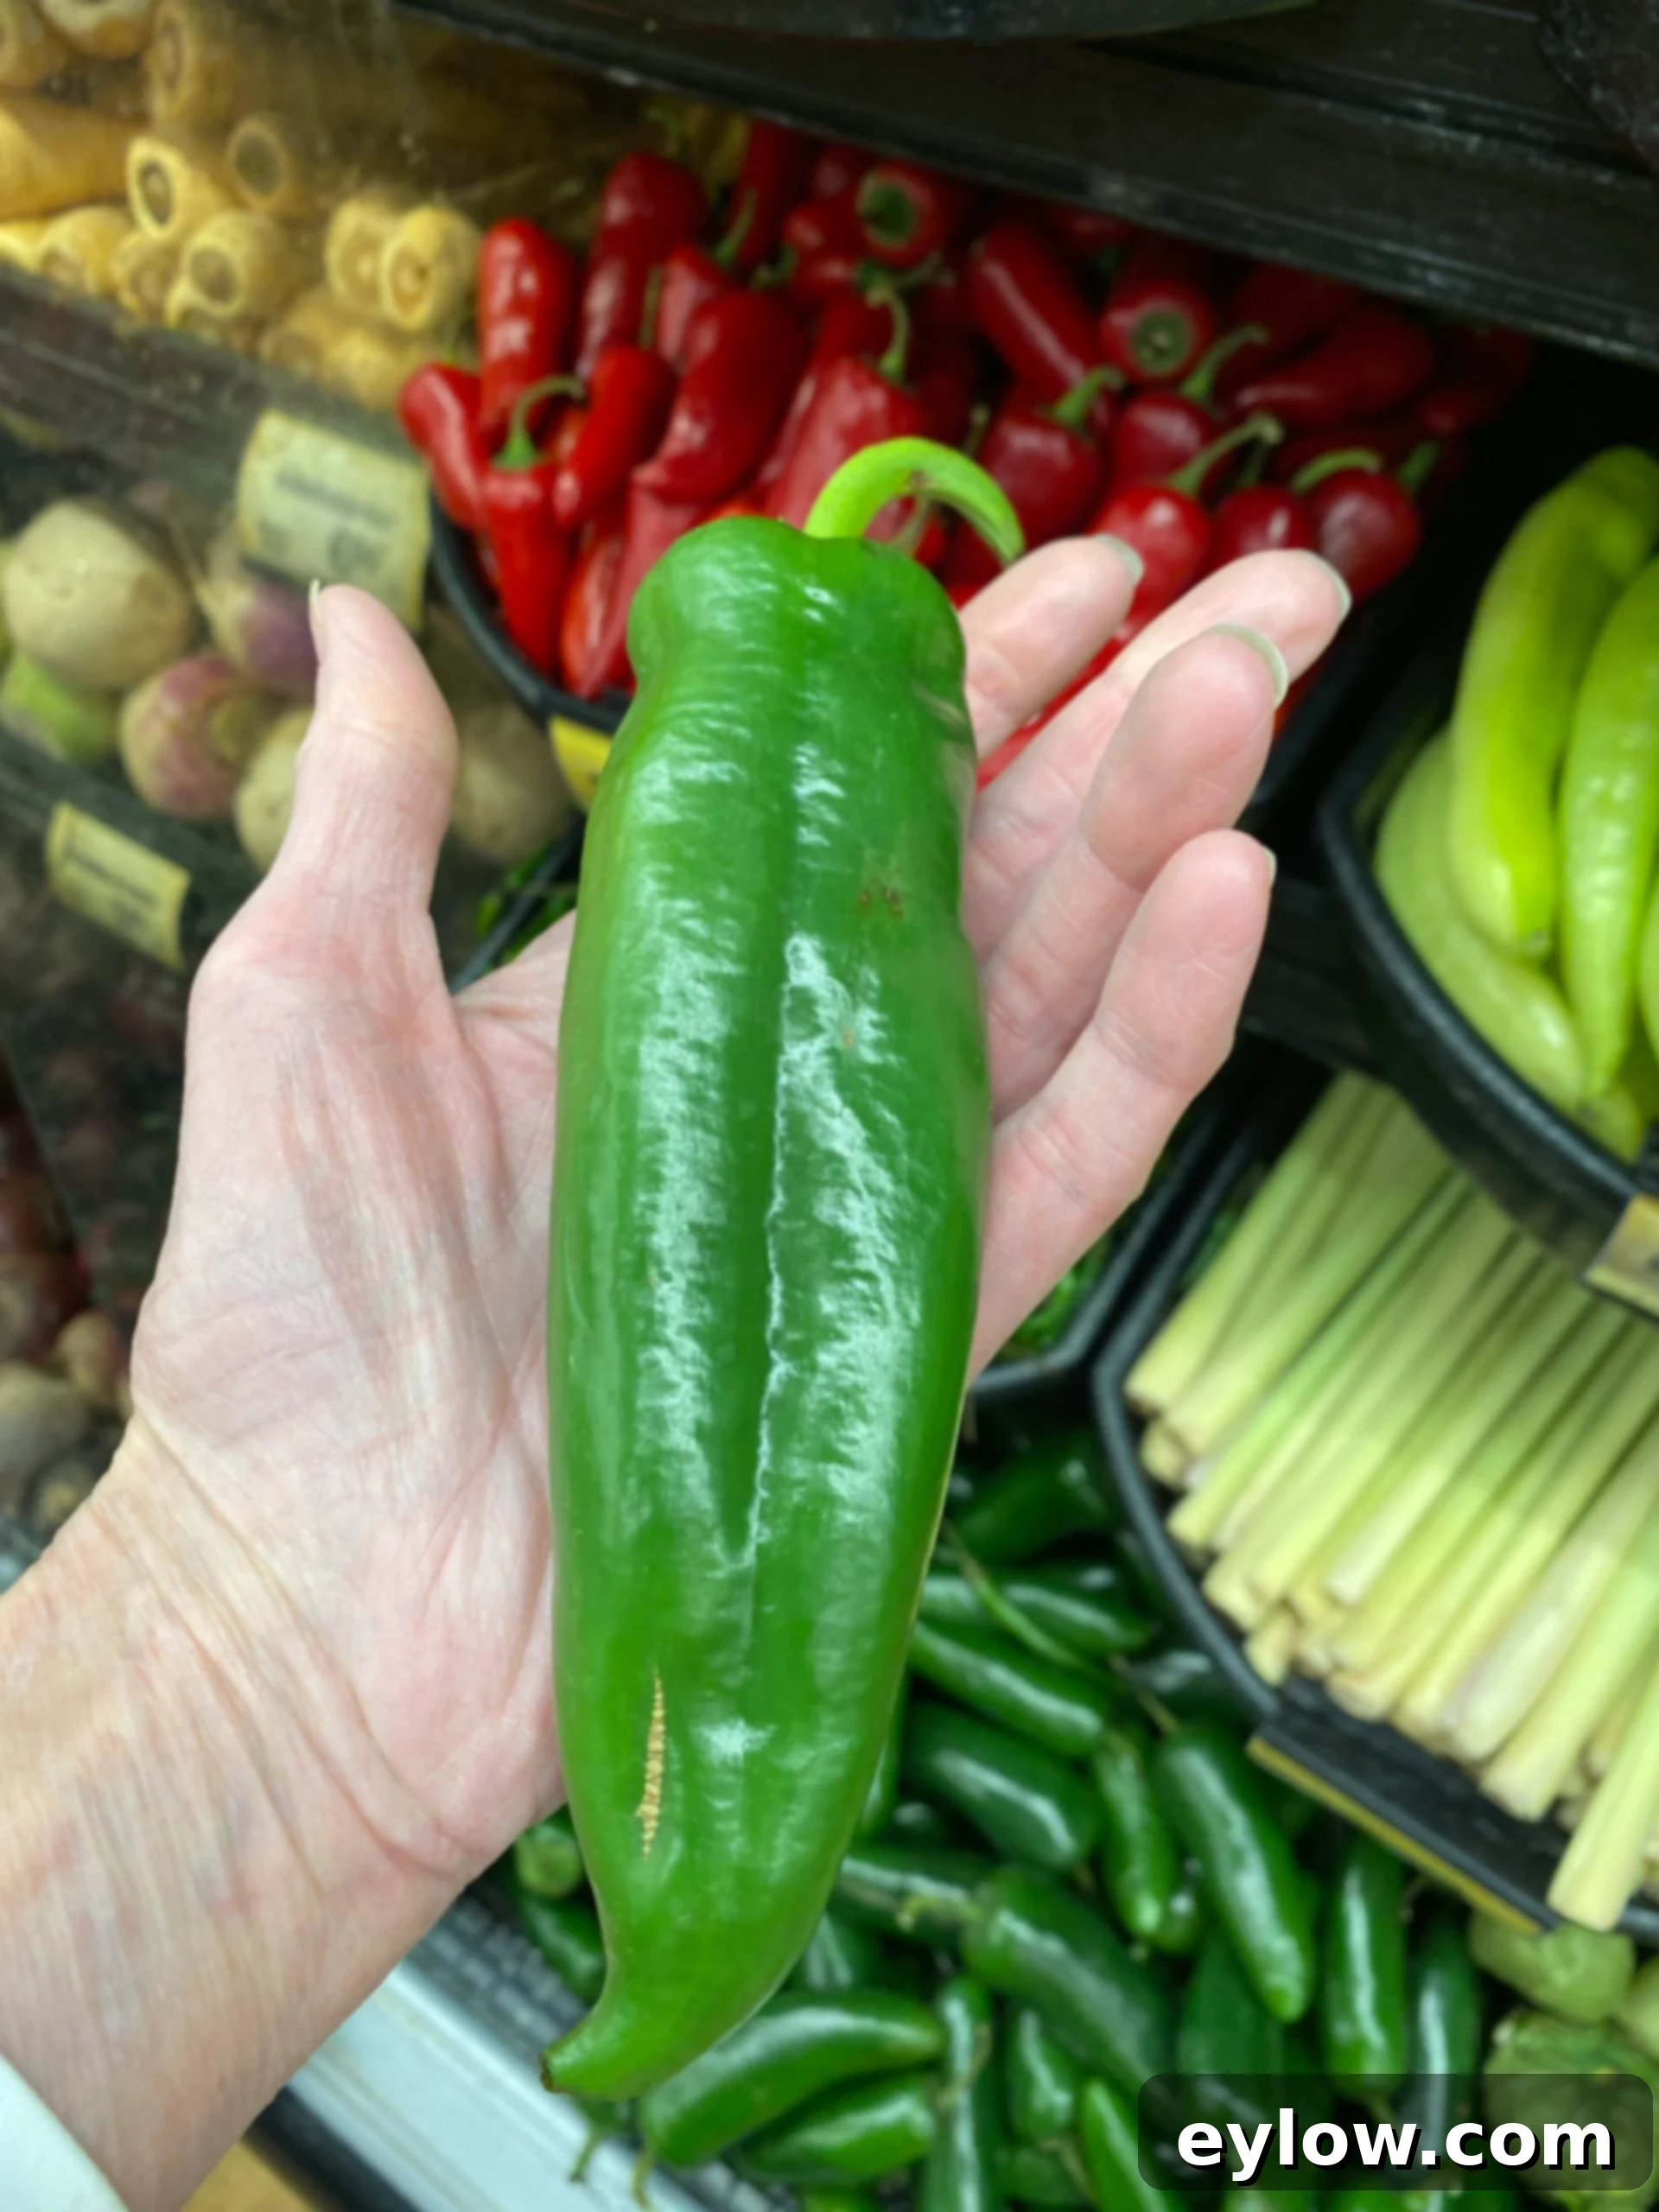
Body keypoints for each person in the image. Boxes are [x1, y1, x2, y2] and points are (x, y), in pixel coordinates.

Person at [0, 539, 1346, 2212]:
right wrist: (239, 1635)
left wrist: (235, 1653)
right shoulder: (804, 704)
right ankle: (669, 1943)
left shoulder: (728, 711)